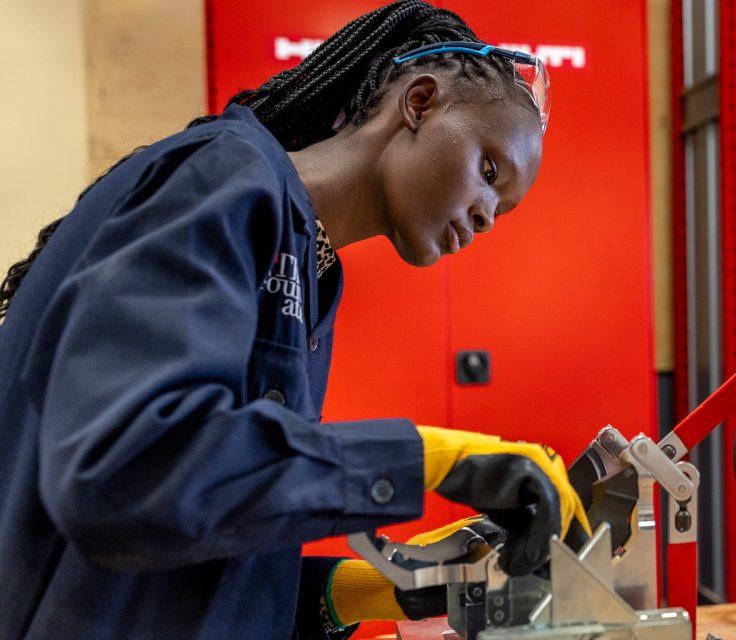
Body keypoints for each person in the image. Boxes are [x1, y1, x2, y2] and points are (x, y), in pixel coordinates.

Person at [0, 2, 588, 638]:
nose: (482, 217)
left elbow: (210, 532)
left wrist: (370, 588)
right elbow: (122, 471)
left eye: (499, 211)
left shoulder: (312, 272)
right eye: (489, 171)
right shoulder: (224, 178)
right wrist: (433, 460)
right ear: (419, 102)